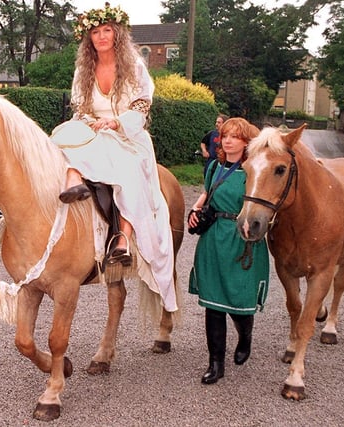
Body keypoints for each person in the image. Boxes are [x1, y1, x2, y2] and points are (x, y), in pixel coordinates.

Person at [50, 2, 177, 312]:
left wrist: (116, 122)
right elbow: (80, 107)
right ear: (89, 38)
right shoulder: (83, 69)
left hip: (127, 134)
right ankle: (73, 178)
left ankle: (122, 238)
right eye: (96, 32)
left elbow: (142, 105)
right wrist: (89, 121)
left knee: (128, 169)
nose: (102, 36)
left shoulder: (133, 65)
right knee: (58, 136)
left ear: (117, 34)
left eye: (107, 30)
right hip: (94, 130)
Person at [188, 117, 269, 385]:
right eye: (225, 136)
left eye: (235, 136)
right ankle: (216, 364)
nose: (228, 140)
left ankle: (245, 337)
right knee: (213, 304)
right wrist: (195, 210)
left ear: (247, 142)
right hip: (213, 237)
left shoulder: (252, 170)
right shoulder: (213, 166)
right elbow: (207, 193)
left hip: (241, 236)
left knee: (238, 302)